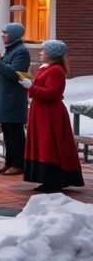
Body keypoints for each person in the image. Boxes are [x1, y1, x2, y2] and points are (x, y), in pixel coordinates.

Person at [21, 40, 85, 192]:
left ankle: (53, 179)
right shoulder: (47, 69)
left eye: (43, 50)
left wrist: (31, 86)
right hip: (42, 111)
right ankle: (47, 179)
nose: (40, 52)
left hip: (50, 113)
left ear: (51, 54)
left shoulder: (55, 71)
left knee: (48, 144)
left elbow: (52, 93)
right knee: (43, 143)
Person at [0, 23, 31, 175]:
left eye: (5, 32)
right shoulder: (10, 50)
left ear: (14, 34)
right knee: (7, 130)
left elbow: (14, 73)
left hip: (14, 99)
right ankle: (9, 162)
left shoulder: (21, 52)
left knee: (15, 132)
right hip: (5, 97)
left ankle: (19, 164)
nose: (2, 35)